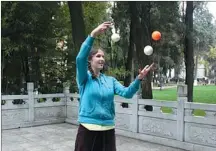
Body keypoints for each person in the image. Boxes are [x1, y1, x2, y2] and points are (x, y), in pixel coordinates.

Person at [74, 22, 154, 151]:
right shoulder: (84, 78)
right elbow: (79, 58)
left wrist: (139, 79)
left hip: (108, 130)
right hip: (88, 128)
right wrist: (93, 34)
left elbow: (127, 93)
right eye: (98, 56)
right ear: (90, 60)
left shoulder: (110, 80)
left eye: (103, 56)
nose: (102, 59)